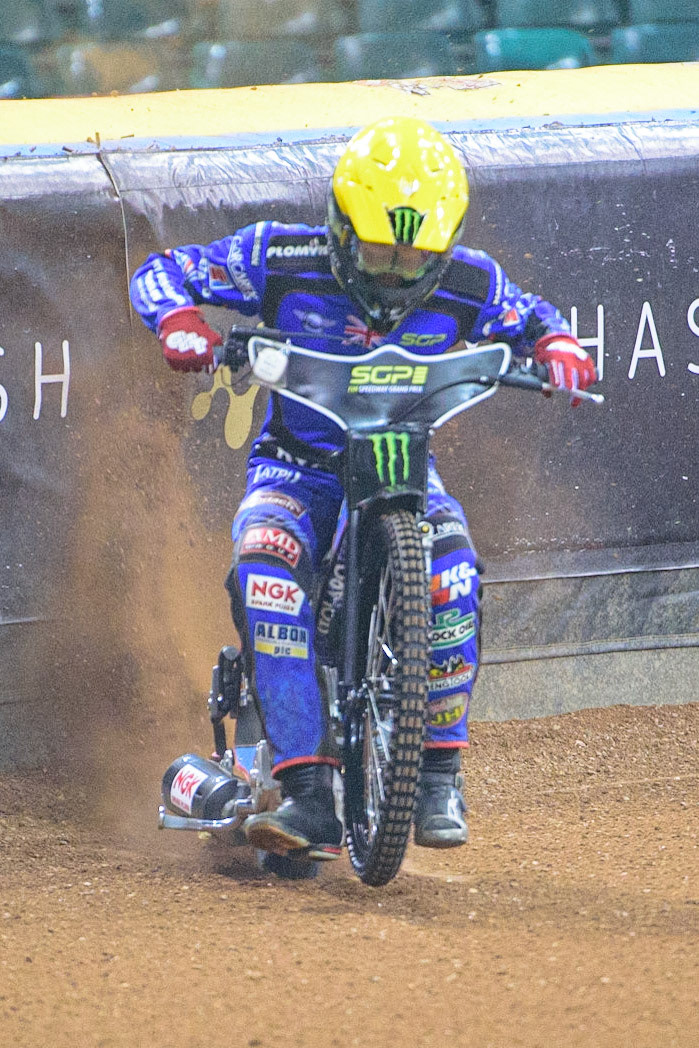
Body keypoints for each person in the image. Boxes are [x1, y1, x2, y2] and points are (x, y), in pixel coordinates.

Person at [130, 116, 596, 862]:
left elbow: (537, 321)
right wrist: (179, 319)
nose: (392, 276)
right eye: (377, 251)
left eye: (415, 261)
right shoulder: (277, 256)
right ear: (339, 229)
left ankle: (439, 773)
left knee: (450, 572)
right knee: (265, 569)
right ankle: (307, 794)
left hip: (404, 465)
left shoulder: (473, 280)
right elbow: (161, 273)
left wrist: (558, 346)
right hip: (295, 467)